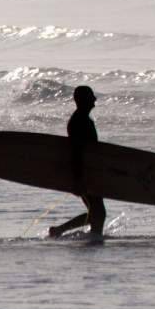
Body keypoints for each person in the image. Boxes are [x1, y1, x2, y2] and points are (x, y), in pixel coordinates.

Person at [47, 85, 106, 241]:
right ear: (83, 100)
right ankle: (93, 240)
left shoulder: (83, 119)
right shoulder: (79, 121)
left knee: (96, 212)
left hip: (89, 171)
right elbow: (76, 152)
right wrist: (78, 179)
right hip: (85, 172)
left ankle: (62, 231)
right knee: (98, 212)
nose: (95, 99)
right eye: (91, 96)